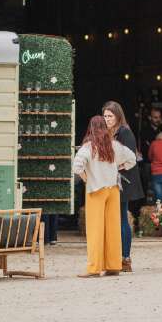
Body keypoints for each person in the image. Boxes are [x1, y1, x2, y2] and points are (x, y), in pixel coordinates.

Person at [71, 115, 136, 278]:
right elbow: (132, 159)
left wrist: (87, 178)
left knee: (95, 230)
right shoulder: (114, 145)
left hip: (96, 190)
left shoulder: (87, 147)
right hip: (113, 189)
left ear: (91, 128)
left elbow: (76, 167)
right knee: (113, 229)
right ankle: (113, 266)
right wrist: (118, 167)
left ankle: (94, 268)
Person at [103, 100, 144, 273]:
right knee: (113, 219)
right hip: (110, 180)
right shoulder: (106, 133)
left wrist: (113, 166)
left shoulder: (125, 132)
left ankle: (125, 258)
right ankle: (113, 256)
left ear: (118, 116)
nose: (107, 119)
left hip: (123, 181)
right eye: (105, 116)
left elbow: (130, 158)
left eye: (110, 116)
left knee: (121, 219)